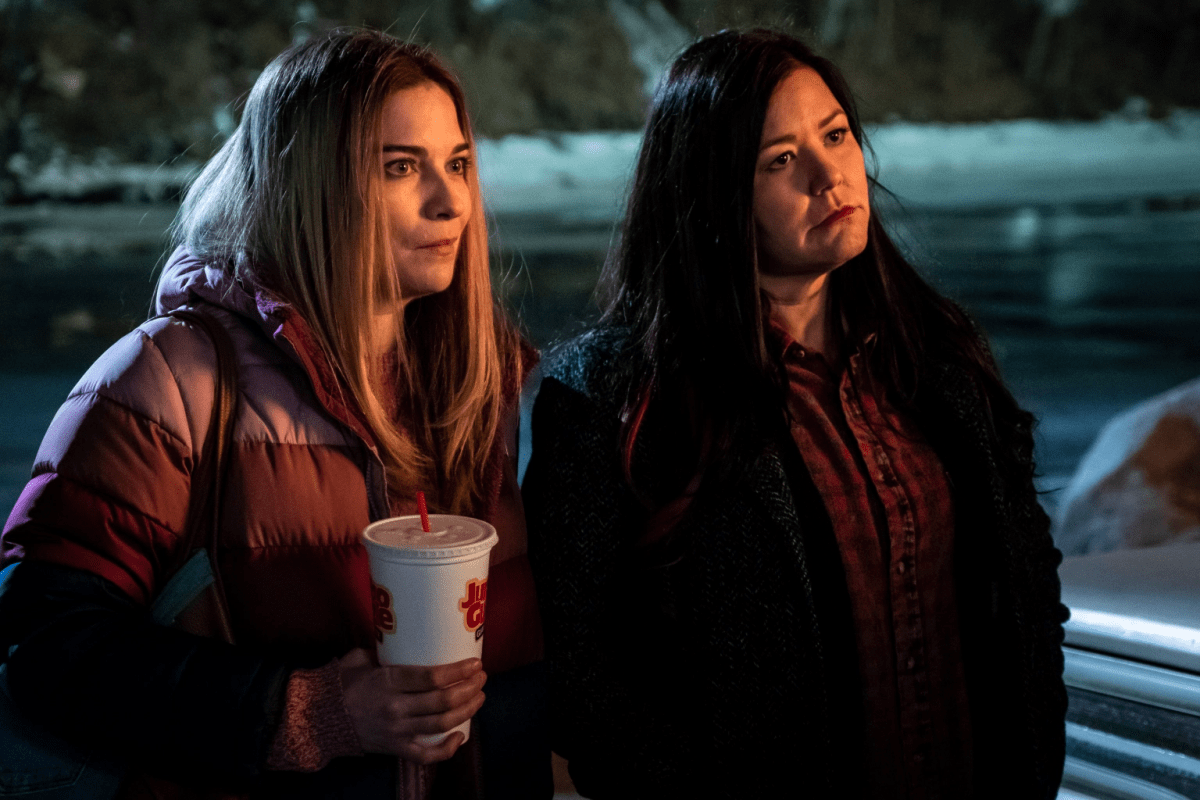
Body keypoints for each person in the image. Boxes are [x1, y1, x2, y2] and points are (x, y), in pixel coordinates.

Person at [0, 28, 549, 800]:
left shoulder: (490, 384)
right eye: (400, 167)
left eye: (458, 163)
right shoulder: (170, 381)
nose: (450, 200)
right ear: (312, 182)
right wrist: (309, 712)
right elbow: (45, 644)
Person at [523, 28, 1067, 799]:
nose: (828, 174)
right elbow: (580, 667)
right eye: (780, 160)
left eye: (837, 135)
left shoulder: (937, 357)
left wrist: (1037, 754)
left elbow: (1026, 581)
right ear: (712, 193)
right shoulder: (612, 395)